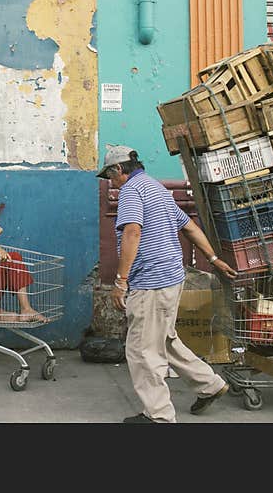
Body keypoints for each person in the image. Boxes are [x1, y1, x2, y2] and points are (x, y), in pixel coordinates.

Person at [99, 144, 238, 423]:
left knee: (142, 349)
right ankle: (210, 385)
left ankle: (158, 416)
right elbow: (188, 226)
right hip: (171, 278)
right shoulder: (157, 188)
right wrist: (212, 258)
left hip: (151, 282)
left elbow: (132, 232)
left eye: (109, 176)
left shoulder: (130, 191)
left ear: (118, 169)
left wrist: (121, 281)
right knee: (164, 339)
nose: (110, 182)